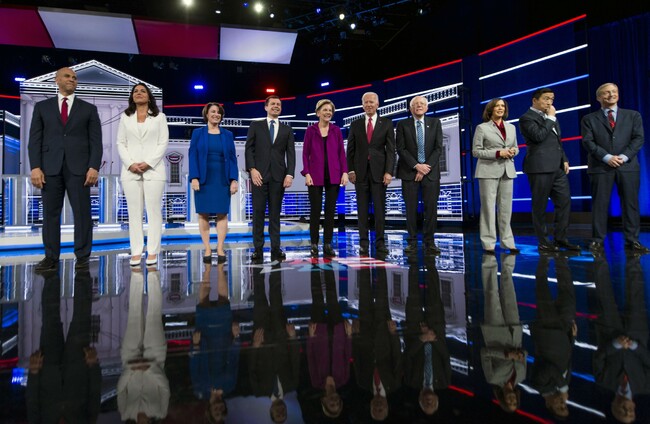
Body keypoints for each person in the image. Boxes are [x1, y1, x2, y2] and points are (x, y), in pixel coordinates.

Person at [28, 67, 102, 272]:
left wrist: (93, 167)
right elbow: (34, 140)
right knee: (50, 214)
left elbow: (96, 142)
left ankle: (83, 257)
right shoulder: (42, 107)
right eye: (67, 76)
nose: (72, 79)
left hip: (80, 169)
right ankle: (51, 257)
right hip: (49, 168)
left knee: (82, 214)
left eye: (75, 78)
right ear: (57, 80)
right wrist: (35, 167)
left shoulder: (89, 109)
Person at [580, 83, 649, 254]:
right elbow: (588, 142)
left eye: (614, 91)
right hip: (600, 166)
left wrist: (624, 157)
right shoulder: (589, 119)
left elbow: (638, 139)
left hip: (628, 166)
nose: (611, 95)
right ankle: (597, 241)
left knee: (631, 204)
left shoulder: (633, 115)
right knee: (599, 205)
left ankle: (632, 240)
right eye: (606, 93)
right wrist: (607, 157)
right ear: (599, 98)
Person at [27, 268, 101, 423]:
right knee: (82, 318)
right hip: (78, 370)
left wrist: (33, 372)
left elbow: (32, 402)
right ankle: (82, 267)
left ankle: (51, 270)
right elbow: (94, 395)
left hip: (48, 370)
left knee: (50, 318)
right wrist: (93, 365)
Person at [519, 87, 580, 253]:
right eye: (546, 98)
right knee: (539, 206)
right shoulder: (526, 118)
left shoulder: (550, 117)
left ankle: (561, 238)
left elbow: (557, 141)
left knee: (564, 202)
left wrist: (564, 159)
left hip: (557, 167)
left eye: (552, 99)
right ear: (535, 100)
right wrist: (551, 118)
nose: (550, 102)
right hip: (539, 167)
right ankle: (544, 242)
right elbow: (538, 136)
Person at [116, 83, 169, 267]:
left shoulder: (159, 117)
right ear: (132, 96)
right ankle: (136, 251)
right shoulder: (125, 117)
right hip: (130, 171)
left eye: (142, 91)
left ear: (148, 96)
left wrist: (148, 163)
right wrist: (130, 164)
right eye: (136, 91)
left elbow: (163, 143)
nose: (138, 93)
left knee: (153, 212)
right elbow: (120, 143)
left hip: (153, 170)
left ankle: (152, 250)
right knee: (134, 213)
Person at [593, 252, 649, 423]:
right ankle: (634, 257)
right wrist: (634, 346)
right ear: (634, 407)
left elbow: (598, 358)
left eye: (622, 412)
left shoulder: (603, 382)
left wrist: (615, 345)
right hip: (636, 333)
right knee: (636, 293)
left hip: (609, 332)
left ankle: (599, 255)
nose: (627, 409)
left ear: (614, 406)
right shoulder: (645, 386)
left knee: (605, 294)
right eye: (630, 412)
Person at [245, 95, 296, 262]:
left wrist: (289, 174)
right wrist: (252, 169)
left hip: (278, 177)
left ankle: (276, 247)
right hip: (258, 176)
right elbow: (249, 149)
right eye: (273, 104)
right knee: (258, 213)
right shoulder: (255, 125)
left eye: (278, 104)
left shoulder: (287, 129)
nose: (276, 106)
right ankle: (257, 249)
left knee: (275, 214)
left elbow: (291, 154)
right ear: (265, 107)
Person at [117, 266, 170, 423]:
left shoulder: (125, 413)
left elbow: (120, 390)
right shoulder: (160, 412)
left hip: (130, 359)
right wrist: (149, 368)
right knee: (154, 314)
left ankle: (136, 273)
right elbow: (165, 387)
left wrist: (132, 368)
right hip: (155, 359)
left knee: (134, 314)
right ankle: (152, 272)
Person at [189, 102, 239, 264]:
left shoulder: (228, 135)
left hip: (222, 178)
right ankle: (207, 248)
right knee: (203, 213)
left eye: (219, 112)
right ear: (206, 114)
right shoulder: (198, 133)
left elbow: (232, 158)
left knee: (222, 213)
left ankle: (220, 247)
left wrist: (233, 179)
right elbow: (192, 155)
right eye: (213, 111)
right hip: (203, 179)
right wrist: (194, 177)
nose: (216, 114)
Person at [346, 92, 395, 256]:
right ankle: (363, 243)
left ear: (377, 104)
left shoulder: (386, 123)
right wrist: (351, 170)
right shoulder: (355, 124)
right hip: (360, 174)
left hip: (380, 173)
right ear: (362, 105)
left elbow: (391, 150)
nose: (368, 105)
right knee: (362, 210)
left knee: (380, 210)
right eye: (366, 102)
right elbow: (350, 150)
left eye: (371, 102)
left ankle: (380, 243)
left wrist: (389, 171)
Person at [530, 254, 576, 421]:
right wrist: (572, 338)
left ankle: (544, 255)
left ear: (549, 405)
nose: (563, 403)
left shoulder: (539, 384)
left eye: (559, 407)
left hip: (547, 330)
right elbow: (567, 359)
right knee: (567, 290)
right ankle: (560, 257)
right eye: (565, 407)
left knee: (542, 287)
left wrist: (563, 388)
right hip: (564, 330)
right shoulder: (563, 385)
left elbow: (550, 369)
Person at [396, 96, 443, 256]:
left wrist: (425, 168)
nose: (419, 106)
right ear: (411, 108)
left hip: (430, 173)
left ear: (427, 107)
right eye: (415, 104)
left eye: (422, 104)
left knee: (431, 209)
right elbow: (401, 149)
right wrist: (417, 166)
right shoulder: (402, 124)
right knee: (410, 209)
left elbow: (438, 148)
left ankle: (430, 242)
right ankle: (412, 242)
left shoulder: (435, 123)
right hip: (409, 173)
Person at [301, 99, 349, 257]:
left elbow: (341, 153)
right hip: (314, 176)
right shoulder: (310, 130)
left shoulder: (336, 130)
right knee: (315, 211)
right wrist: (307, 173)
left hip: (334, 174)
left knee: (330, 211)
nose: (328, 113)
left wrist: (344, 172)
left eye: (330, 110)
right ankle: (314, 244)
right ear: (318, 113)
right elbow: (305, 154)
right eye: (325, 110)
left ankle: (327, 244)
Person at [480, 254, 526, 413]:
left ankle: (489, 258)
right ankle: (508, 260)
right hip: (514, 332)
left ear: (503, 400)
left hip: (495, 332)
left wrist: (506, 355)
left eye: (509, 402)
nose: (512, 400)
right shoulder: (521, 376)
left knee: (491, 293)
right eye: (515, 402)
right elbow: (525, 354)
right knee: (509, 291)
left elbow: (484, 353)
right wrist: (520, 355)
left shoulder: (492, 378)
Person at [404, 257, 450, 416]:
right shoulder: (444, 382)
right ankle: (430, 256)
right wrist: (432, 337)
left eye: (425, 404)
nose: (429, 402)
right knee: (434, 289)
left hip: (415, 329)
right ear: (437, 400)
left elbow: (408, 356)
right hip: (436, 328)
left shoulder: (411, 381)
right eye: (432, 404)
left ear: (420, 400)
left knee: (413, 289)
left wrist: (422, 338)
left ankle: (412, 256)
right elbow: (445, 356)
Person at [472, 98, 519, 254]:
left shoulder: (511, 127)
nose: (500, 108)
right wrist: (498, 153)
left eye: (503, 106)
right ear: (490, 109)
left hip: (507, 170)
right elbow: (476, 152)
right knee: (488, 208)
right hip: (488, 171)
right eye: (497, 106)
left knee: (506, 208)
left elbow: (516, 147)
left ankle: (508, 242)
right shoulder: (482, 128)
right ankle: (488, 243)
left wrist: (513, 151)